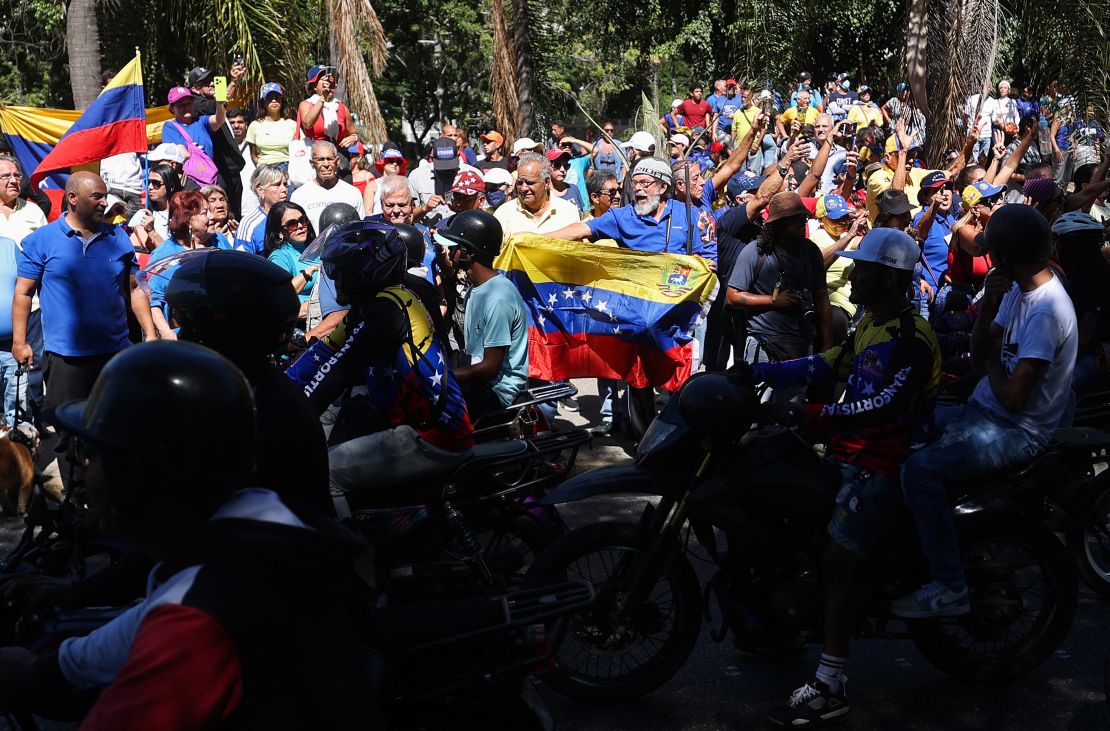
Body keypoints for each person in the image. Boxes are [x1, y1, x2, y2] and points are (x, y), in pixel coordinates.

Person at [22, 340, 370, 727]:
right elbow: (141, 621)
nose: (85, 475)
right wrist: (48, 667)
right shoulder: (261, 527)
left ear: (138, 476)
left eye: (94, 457)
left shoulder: (199, 618)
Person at [761, 229, 941, 727]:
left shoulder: (911, 337)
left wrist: (814, 415)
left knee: (839, 559)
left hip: (885, 462)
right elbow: (829, 362)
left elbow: (886, 406)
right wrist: (763, 375)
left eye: (861, 268)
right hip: (850, 451)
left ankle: (832, 683)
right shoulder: (869, 324)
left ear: (886, 278)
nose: (852, 274)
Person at [894, 204, 1076, 619]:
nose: (989, 261)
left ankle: (949, 584)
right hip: (983, 409)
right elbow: (979, 356)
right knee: (898, 430)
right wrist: (991, 305)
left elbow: (1012, 396)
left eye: (995, 255)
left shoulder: (1046, 310)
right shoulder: (1016, 292)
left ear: (1010, 257)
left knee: (921, 473)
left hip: (1016, 429)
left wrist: (991, 363)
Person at [286, 221, 475, 492]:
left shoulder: (388, 307)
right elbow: (321, 352)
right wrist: (278, 387)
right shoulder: (369, 306)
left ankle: (346, 536)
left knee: (323, 473)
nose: (335, 278)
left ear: (365, 272)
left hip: (435, 435)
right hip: (408, 423)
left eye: (341, 271)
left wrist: (292, 412)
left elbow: (339, 371)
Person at [13, 172, 155, 451]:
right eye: (97, 196)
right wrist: (20, 341)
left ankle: (111, 489)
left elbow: (135, 289)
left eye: (105, 195)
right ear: (72, 199)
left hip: (114, 352)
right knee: (70, 436)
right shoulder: (41, 241)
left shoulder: (118, 238)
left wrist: (149, 333)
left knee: (115, 427)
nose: (105, 202)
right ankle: (76, 495)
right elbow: (23, 293)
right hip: (66, 358)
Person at [726, 191, 833, 401]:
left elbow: (822, 298)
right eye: (797, 220)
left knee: (790, 409)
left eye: (804, 218)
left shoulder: (810, 252)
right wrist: (774, 301)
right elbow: (733, 296)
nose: (803, 224)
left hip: (801, 346)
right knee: (757, 407)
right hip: (763, 344)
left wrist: (827, 344)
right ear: (781, 223)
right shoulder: (755, 252)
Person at [436, 211, 528, 420]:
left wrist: (445, 377)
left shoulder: (498, 298)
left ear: (469, 252)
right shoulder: (474, 290)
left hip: (497, 392)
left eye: (453, 247)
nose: (448, 252)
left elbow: (490, 367)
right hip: (478, 380)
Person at [143, 190, 228, 340]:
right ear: (187, 220)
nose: (211, 216)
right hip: (183, 337)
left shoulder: (219, 240)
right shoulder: (166, 253)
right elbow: (153, 301)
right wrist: (168, 334)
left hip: (221, 330)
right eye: (204, 213)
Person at [1052, 212, 1110, 394]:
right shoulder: (1086, 269)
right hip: (1089, 351)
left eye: (1059, 242)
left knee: (1051, 389)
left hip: (1096, 356)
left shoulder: (1094, 275)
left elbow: (1086, 330)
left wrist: (1059, 368)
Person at [810, 194, 867, 344]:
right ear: (821, 218)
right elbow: (819, 264)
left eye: (845, 217)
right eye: (836, 219)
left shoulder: (843, 236)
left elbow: (865, 242)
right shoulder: (819, 236)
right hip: (830, 308)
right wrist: (849, 235)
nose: (843, 222)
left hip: (852, 307)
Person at [493, 152, 581, 240]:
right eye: (520, 182)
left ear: (546, 182)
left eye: (530, 183)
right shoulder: (503, 214)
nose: (523, 188)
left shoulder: (568, 212)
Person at [290, 141, 365, 232]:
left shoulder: (353, 193)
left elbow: (361, 228)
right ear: (312, 163)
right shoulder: (299, 196)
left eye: (330, 159)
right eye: (320, 160)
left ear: (337, 161)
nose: (326, 164)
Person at [161, 86, 225, 186]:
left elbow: (219, 120)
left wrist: (219, 103)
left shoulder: (201, 121)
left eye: (189, 103)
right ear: (172, 108)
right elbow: (183, 154)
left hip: (210, 177)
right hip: (190, 180)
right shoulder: (170, 127)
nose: (186, 107)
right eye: (181, 105)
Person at [409, 137, 481, 227]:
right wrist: (425, 208)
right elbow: (409, 217)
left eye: (450, 166)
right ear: (432, 158)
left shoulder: (473, 174)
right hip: (429, 236)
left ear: (458, 156)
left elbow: (483, 211)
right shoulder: (417, 176)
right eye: (441, 167)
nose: (446, 171)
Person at [263, 201, 320, 309]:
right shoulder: (279, 256)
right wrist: (309, 271)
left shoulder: (316, 248)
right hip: (299, 320)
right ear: (279, 231)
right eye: (292, 224)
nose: (300, 226)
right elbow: (282, 293)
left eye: (303, 220)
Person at [298, 65, 358, 154]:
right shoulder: (306, 104)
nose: (328, 82)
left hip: (335, 157)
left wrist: (353, 138)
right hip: (312, 155)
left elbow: (353, 133)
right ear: (314, 86)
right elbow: (308, 124)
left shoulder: (341, 108)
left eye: (330, 78)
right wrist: (323, 99)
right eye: (324, 79)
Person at [234, 163, 289, 254]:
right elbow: (241, 262)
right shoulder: (249, 224)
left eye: (285, 184)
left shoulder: (293, 216)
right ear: (260, 191)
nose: (284, 189)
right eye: (277, 185)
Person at [245, 82, 296, 166]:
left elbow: (299, 150)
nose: (274, 101)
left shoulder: (292, 125)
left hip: (288, 167)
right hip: (264, 168)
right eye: (269, 98)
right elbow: (253, 154)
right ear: (263, 103)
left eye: (277, 98)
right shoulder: (254, 125)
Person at [0, 155, 47, 246]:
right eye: (6, 176)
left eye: (17, 176)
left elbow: (46, 246)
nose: (13, 181)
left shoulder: (34, 211)